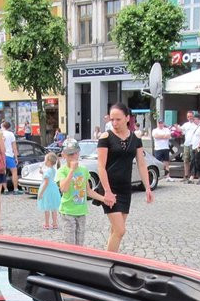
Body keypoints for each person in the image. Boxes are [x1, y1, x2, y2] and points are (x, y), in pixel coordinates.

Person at [97, 102, 154, 252]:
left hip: (125, 189)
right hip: (109, 188)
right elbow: (100, 167)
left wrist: (147, 187)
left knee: (115, 231)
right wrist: (107, 192)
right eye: (112, 119)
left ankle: (107, 257)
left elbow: (142, 164)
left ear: (127, 118)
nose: (114, 123)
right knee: (120, 230)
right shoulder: (105, 137)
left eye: (118, 119)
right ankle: (108, 262)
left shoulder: (135, 139)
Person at [56, 139, 107, 245]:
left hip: (81, 211)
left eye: (76, 153)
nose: (74, 156)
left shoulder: (84, 169)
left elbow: (88, 191)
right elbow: (63, 189)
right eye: (70, 154)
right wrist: (71, 171)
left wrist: (104, 199)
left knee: (80, 244)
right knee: (70, 244)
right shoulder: (62, 171)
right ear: (64, 155)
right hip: (67, 212)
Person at [36, 152, 61, 230]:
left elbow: (46, 182)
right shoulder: (53, 170)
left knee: (46, 207)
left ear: (49, 162)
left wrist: (41, 193)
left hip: (47, 190)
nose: (44, 162)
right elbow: (49, 177)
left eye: (45, 160)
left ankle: (46, 223)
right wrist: (43, 172)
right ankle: (55, 223)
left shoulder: (48, 171)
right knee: (53, 208)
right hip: (53, 189)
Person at [0, 121, 21, 194]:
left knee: (3, 172)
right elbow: (14, 147)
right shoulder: (11, 134)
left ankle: (5, 189)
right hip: (9, 155)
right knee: (14, 171)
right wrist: (16, 157)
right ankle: (15, 189)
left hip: (1, 155)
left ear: (2, 126)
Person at [180, 111, 196, 184]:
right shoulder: (185, 124)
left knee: (193, 160)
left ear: (193, 116)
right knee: (186, 160)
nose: (189, 117)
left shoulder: (196, 124)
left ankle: (192, 176)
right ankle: (186, 175)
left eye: (191, 116)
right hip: (186, 144)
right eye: (188, 116)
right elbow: (181, 130)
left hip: (194, 144)